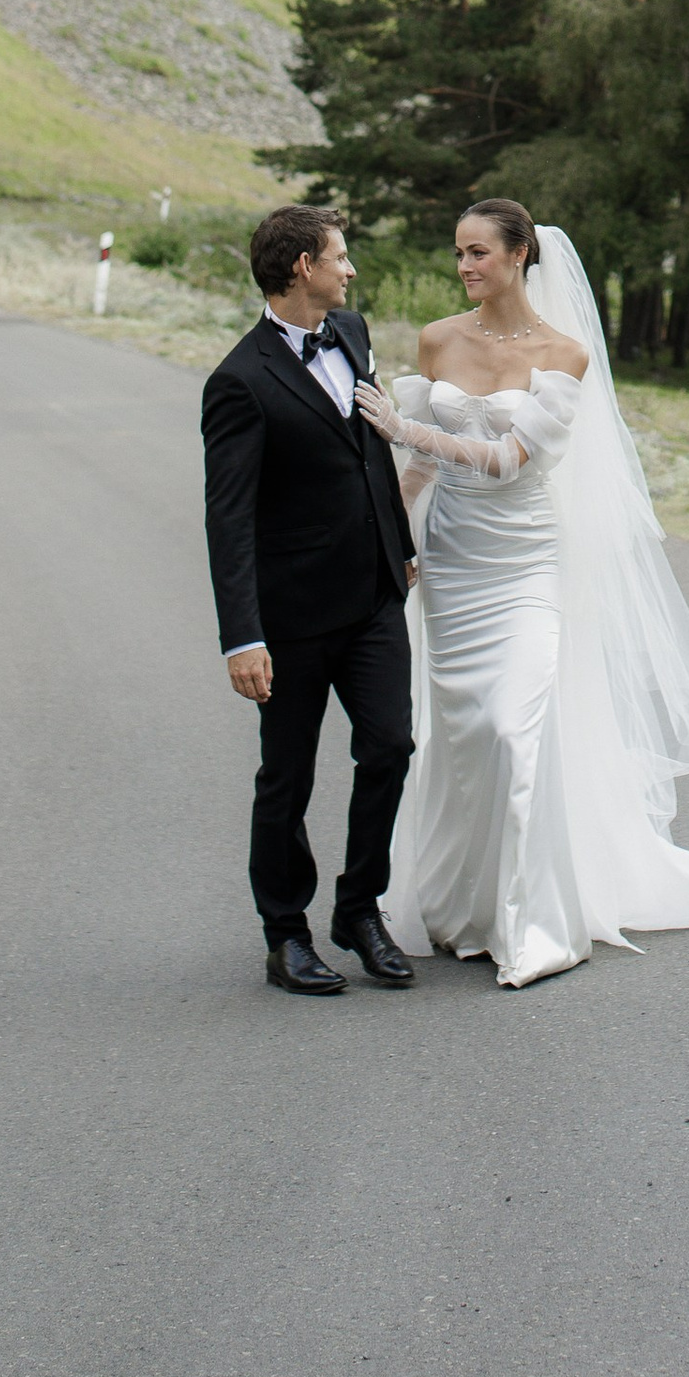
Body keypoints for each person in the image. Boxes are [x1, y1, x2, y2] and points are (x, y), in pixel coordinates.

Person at [357, 197, 689, 988]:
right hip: (453, 564)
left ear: (519, 257)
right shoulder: (438, 338)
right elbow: (427, 473)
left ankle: (532, 921)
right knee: (463, 739)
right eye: (459, 254)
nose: (466, 267)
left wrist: (405, 428)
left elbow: (512, 460)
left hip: (524, 562)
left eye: (479, 254)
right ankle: (464, 910)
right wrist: (395, 536)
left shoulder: (564, 355)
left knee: (512, 729)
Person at [200, 203, 417, 998]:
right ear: (302, 267)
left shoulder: (352, 333)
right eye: (340, 256)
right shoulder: (238, 381)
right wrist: (241, 637)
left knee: (390, 748)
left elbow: (367, 450)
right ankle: (285, 934)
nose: (349, 269)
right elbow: (228, 519)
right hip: (290, 619)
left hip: (372, 598)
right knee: (286, 778)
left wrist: (401, 544)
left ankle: (358, 910)